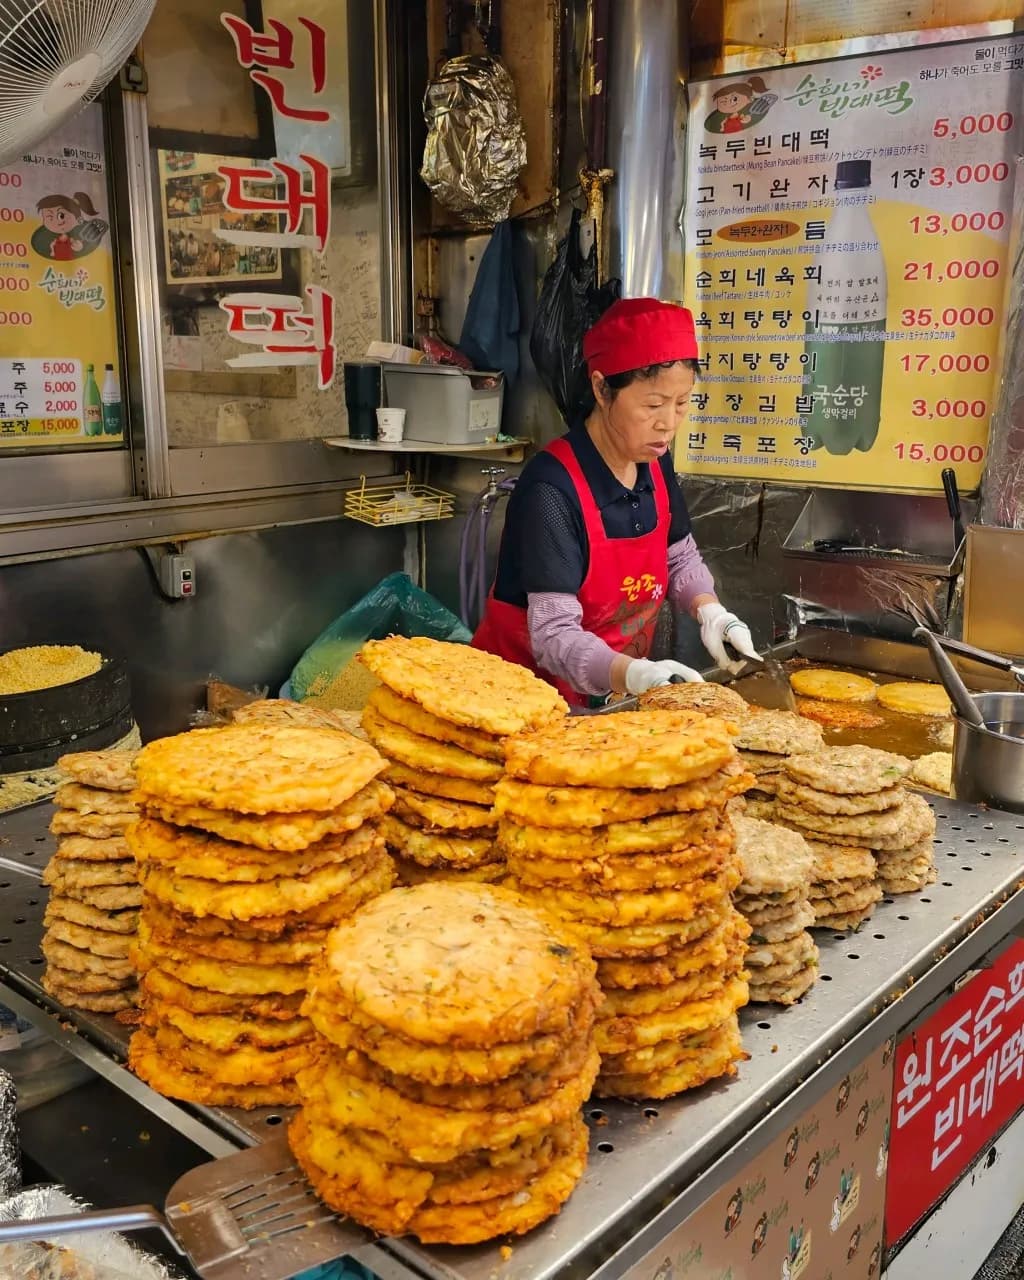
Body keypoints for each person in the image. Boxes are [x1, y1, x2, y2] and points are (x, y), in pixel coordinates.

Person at [472, 297, 760, 706]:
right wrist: (636, 674)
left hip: (608, 694)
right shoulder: (551, 489)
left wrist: (712, 612)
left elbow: (678, 555)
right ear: (602, 389)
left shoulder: (654, 460)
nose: (668, 424)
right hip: (524, 701)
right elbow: (553, 637)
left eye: (682, 404)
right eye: (653, 405)